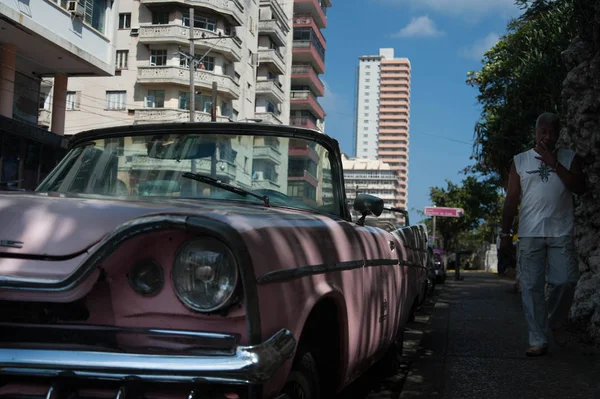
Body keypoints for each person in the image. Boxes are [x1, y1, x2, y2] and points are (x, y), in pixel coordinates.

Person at [499, 112, 586, 357]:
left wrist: (554, 163)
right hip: (529, 234)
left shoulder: (570, 158)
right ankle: (537, 339)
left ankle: (554, 321)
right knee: (531, 287)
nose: (546, 136)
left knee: (566, 281)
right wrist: (505, 234)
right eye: (542, 131)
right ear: (535, 132)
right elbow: (511, 199)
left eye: (551, 132)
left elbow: (580, 188)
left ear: (559, 134)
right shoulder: (520, 161)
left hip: (561, 232)